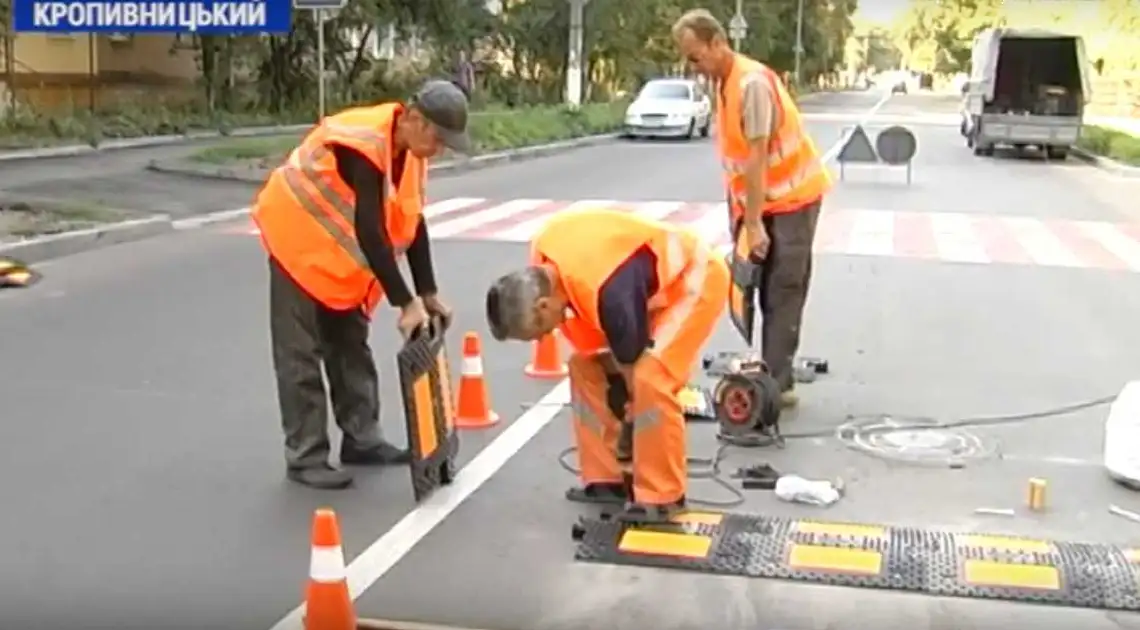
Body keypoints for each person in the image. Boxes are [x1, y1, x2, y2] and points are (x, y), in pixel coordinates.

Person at [252, 80, 470, 490]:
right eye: (438, 139)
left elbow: (411, 219)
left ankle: (362, 438)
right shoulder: (364, 144)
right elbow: (371, 230)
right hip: (296, 239)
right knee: (300, 354)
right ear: (415, 120)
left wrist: (428, 291)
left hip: (336, 255)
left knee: (350, 343)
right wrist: (405, 303)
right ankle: (306, 456)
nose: (439, 150)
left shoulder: (410, 151)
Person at [484, 208, 729, 520]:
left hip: (693, 280)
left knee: (650, 378)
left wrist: (633, 408)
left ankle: (663, 495)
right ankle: (606, 478)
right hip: (641, 290)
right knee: (585, 367)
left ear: (542, 306)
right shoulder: (545, 258)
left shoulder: (609, 293)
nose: (543, 337)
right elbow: (606, 344)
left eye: (536, 331)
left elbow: (630, 354)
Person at [673, 9, 833, 409]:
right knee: (754, 284)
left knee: (783, 289)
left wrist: (756, 223)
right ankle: (773, 368)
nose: (693, 66)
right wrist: (742, 217)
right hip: (761, 203)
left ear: (717, 43)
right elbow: (738, 160)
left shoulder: (752, 84)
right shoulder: (724, 83)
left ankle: (775, 388)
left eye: (696, 57)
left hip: (792, 201)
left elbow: (758, 158)